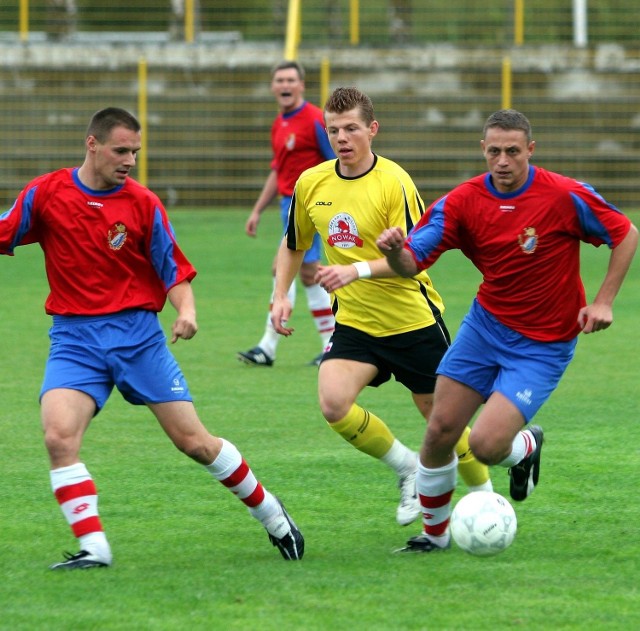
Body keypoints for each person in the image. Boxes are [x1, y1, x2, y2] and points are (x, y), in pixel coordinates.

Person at [0, 107, 304, 569]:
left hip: (138, 338)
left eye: (136, 152)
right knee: (59, 437)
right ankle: (94, 549)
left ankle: (271, 513)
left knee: (195, 442)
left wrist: (188, 310)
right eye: (121, 150)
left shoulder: (143, 204)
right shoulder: (46, 194)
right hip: (75, 339)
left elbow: (173, 269)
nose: (129, 160)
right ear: (92, 144)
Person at [377, 108, 638, 552]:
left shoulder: (564, 195)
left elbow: (626, 233)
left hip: (543, 344)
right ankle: (434, 536)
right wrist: (397, 251)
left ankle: (524, 448)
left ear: (530, 151)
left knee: (485, 446)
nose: (502, 160)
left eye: (512, 152)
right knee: (440, 428)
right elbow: (412, 263)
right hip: (485, 328)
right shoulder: (462, 200)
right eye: (494, 151)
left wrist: (604, 301)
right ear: (483, 149)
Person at [270, 87, 492, 527]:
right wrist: (280, 295)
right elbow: (294, 243)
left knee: (442, 424)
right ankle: (408, 468)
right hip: (356, 323)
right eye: (333, 130)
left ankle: (486, 498)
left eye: (351, 128)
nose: (342, 138)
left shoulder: (394, 182)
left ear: (372, 129)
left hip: (412, 321)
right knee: (333, 403)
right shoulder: (312, 183)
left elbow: (414, 258)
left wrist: (356, 271)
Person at [238, 60, 336, 368]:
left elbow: (336, 161)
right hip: (286, 206)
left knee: (292, 270)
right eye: (279, 80)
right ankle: (329, 345)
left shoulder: (315, 119)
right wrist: (257, 210)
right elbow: (278, 170)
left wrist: (327, 205)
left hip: (310, 207)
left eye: (291, 80)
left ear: (301, 86)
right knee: (304, 274)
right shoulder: (279, 123)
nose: (284, 85)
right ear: (272, 87)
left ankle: (269, 346)